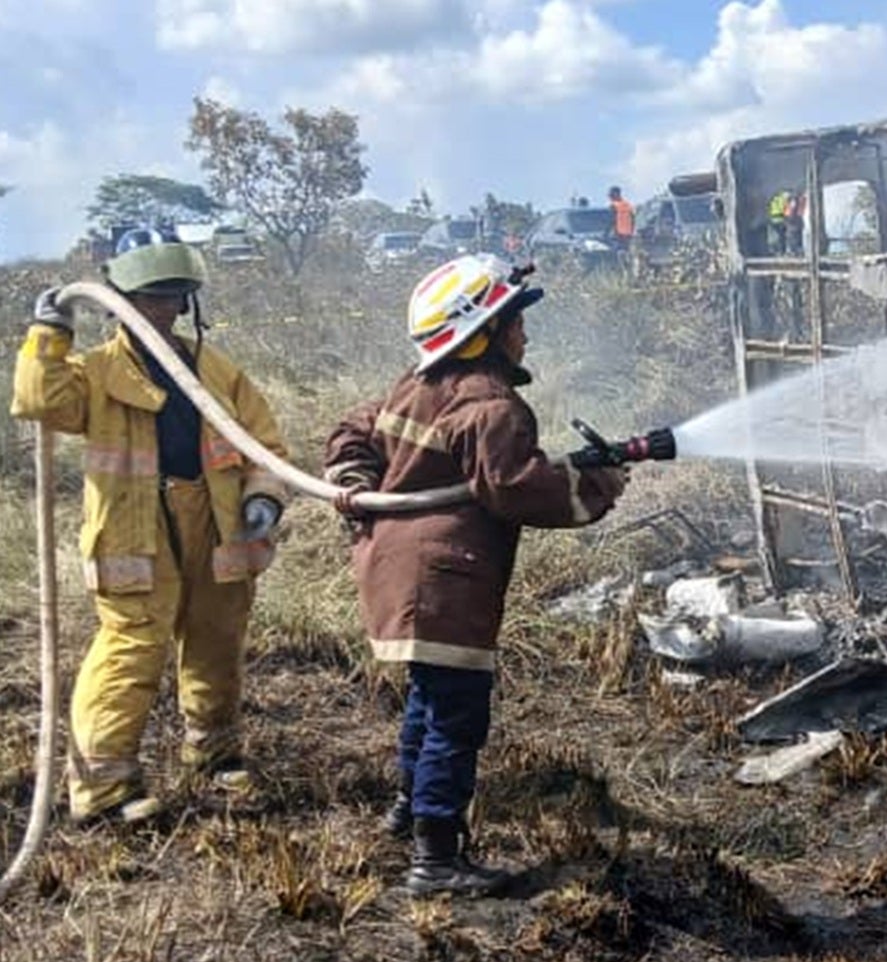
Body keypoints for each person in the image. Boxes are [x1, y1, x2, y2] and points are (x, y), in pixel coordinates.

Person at [323, 254, 627, 896]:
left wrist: (355, 479)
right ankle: (436, 860)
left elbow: (353, 427)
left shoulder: (415, 383)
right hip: (446, 584)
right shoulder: (492, 405)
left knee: (426, 703)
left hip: (395, 577)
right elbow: (517, 489)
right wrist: (598, 483)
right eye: (515, 321)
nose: (526, 333)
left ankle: (407, 812)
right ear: (482, 333)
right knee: (456, 720)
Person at [11, 226, 288, 824]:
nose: (165, 308)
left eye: (174, 295)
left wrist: (263, 497)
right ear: (123, 299)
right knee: (131, 648)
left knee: (217, 641)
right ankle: (104, 789)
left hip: (217, 530)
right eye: (153, 295)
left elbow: (262, 443)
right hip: (135, 534)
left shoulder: (215, 371)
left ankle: (214, 752)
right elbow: (39, 401)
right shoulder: (96, 372)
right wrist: (47, 336)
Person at [607, 185, 635, 256]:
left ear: (615, 194)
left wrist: (607, 232)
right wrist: (631, 231)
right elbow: (633, 219)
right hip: (628, 233)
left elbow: (611, 220)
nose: (610, 197)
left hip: (618, 234)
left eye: (611, 195)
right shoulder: (628, 205)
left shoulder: (613, 206)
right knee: (626, 252)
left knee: (615, 253)